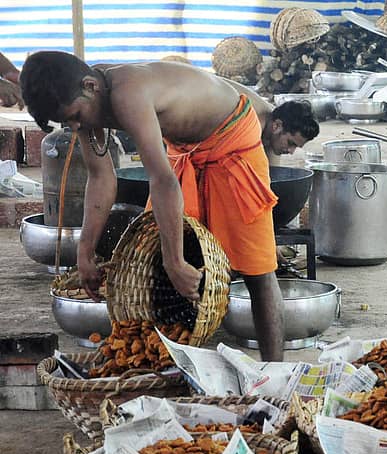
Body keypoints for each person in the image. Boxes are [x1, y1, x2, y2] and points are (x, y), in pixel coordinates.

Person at [20, 51, 286, 361]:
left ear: (91, 86)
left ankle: (275, 373)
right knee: (154, 258)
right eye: (68, 122)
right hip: (185, 147)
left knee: (257, 270)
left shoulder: (128, 93)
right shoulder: (86, 98)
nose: (76, 128)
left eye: (76, 117)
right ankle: (173, 365)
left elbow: (162, 181)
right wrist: (84, 253)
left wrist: (175, 262)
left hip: (232, 138)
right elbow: (100, 177)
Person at [224, 78, 319, 161]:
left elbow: (272, 174)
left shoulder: (273, 125)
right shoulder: (252, 124)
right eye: (290, 143)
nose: (291, 151)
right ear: (277, 125)